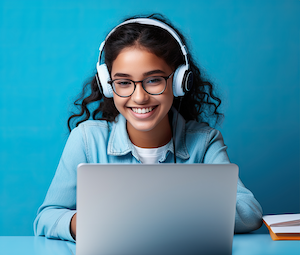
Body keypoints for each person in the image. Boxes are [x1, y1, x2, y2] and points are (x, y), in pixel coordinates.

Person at [34, 13, 263, 242]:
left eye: (153, 80)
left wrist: (158, 212)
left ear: (179, 82)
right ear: (107, 85)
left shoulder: (204, 143)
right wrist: (80, 223)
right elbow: (47, 217)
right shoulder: (85, 140)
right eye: (123, 83)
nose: (140, 97)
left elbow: (249, 212)